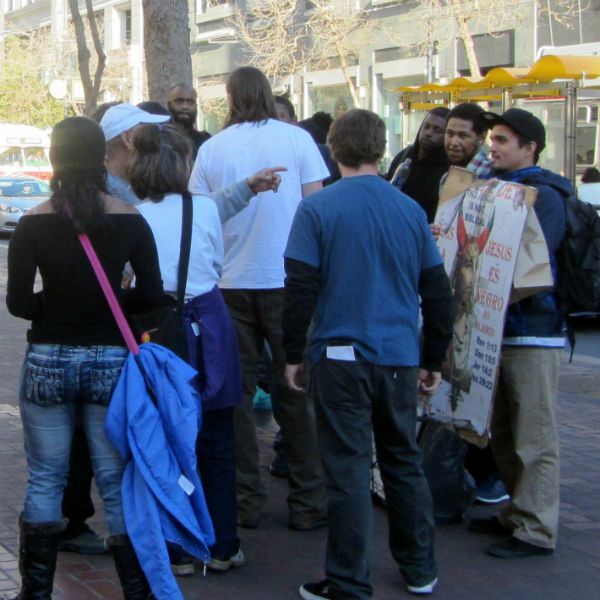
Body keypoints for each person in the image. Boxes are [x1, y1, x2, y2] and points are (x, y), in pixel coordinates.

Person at [283, 109, 453, 599]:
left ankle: (349, 581)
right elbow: (436, 291)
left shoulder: (316, 209)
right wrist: (432, 356)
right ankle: (420, 567)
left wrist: (293, 352)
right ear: (380, 148)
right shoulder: (409, 211)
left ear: (333, 149)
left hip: (339, 355)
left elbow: (300, 288)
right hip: (399, 355)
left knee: (349, 468)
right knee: (403, 459)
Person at [6, 116, 164, 599]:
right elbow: (154, 296)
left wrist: (53, 307)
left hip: (49, 356)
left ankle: (35, 592)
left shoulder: (33, 221)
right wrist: (111, 303)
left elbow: (17, 303)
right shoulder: (129, 216)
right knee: (115, 481)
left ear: (54, 158)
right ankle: (136, 590)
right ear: (100, 156)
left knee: (47, 476)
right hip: (110, 362)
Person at [189, 66, 330, 531]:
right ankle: (309, 501)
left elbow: (201, 214)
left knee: (237, 399)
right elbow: (316, 209)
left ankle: (244, 502)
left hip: (227, 284)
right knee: (296, 391)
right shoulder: (299, 140)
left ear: (229, 97)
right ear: (269, 95)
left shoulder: (212, 148)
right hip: (289, 280)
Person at [128, 122, 246, 576]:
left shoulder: (134, 214)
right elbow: (214, 263)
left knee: (167, 437)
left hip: (157, 326)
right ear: (183, 164)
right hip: (210, 322)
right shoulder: (205, 210)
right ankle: (221, 544)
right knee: (216, 437)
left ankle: (176, 546)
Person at [469, 108, 569, 559]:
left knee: (534, 433)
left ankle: (536, 528)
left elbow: (532, 263)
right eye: (494, 138)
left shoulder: (543, 195)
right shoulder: (500, 188)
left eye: (504, 140)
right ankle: (518, 512)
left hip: (534, 330)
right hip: (502, 329)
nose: (494, 146)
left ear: (530, 147)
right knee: (505, 434)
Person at [100, 102, 285, 223]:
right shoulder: (105, 198)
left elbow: (197, 210)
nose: (159, 136)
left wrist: (247, 187)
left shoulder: (110, 191)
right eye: (150, 131)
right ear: (128, 139)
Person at [386, 107, 450, 223]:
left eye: (437, 130)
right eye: (426, 127)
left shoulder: (447, 170)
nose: (429, 133)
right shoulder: (405, 155)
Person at [444, 103, 492, 178]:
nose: (454, 142)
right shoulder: (447, 176)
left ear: (482, 137)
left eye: (463, 135)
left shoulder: (489, 175)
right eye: (450, 133)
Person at [167, 83, 211, 159]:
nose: (185, 107)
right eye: (179, 102)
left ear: (196, 106)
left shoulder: (205, 141)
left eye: (190, 102)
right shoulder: (160, 139)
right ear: (169, 105)